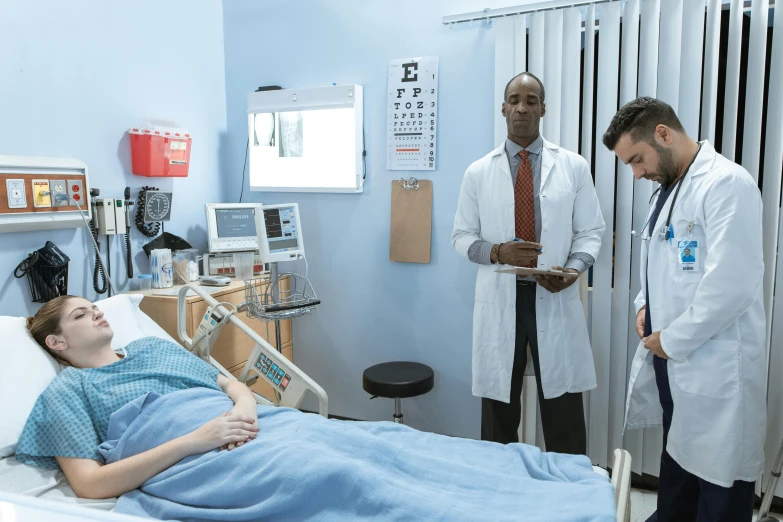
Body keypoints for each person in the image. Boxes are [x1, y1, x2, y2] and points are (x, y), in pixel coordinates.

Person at [602, 97, 766, 522]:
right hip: (674, 361)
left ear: (663, 133)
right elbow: (661, 265)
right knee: (679, 468)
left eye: (636, 160)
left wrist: (671, 339)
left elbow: (731, 285)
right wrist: (643, 306)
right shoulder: (669, 192)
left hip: (714, 367)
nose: (636, 173)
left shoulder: (727, 184)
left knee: (718, 484)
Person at [452, 72, 605, 454]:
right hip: (501, 298)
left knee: (563, 406)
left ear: (543, 109)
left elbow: (591, 231)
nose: (522, 107)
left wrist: (575, 268)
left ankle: (568, 494)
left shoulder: (572, 166)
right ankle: (500, 488)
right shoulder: (477, 172)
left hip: (552, 295)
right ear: (503, 108)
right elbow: (461, 237)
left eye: (531, 100)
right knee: (498, 407)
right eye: (515, 99)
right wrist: (497, 252)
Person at [17, 295, 261, 500]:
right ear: (56, 341)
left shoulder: (153, 347)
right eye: (80, 315)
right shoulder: (68, 390)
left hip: (248, 426)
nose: (97, 313)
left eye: (95, 308)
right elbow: (88, 484)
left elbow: (229, 384)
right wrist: (195, 440)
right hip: (205, 459)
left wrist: (246, 406)